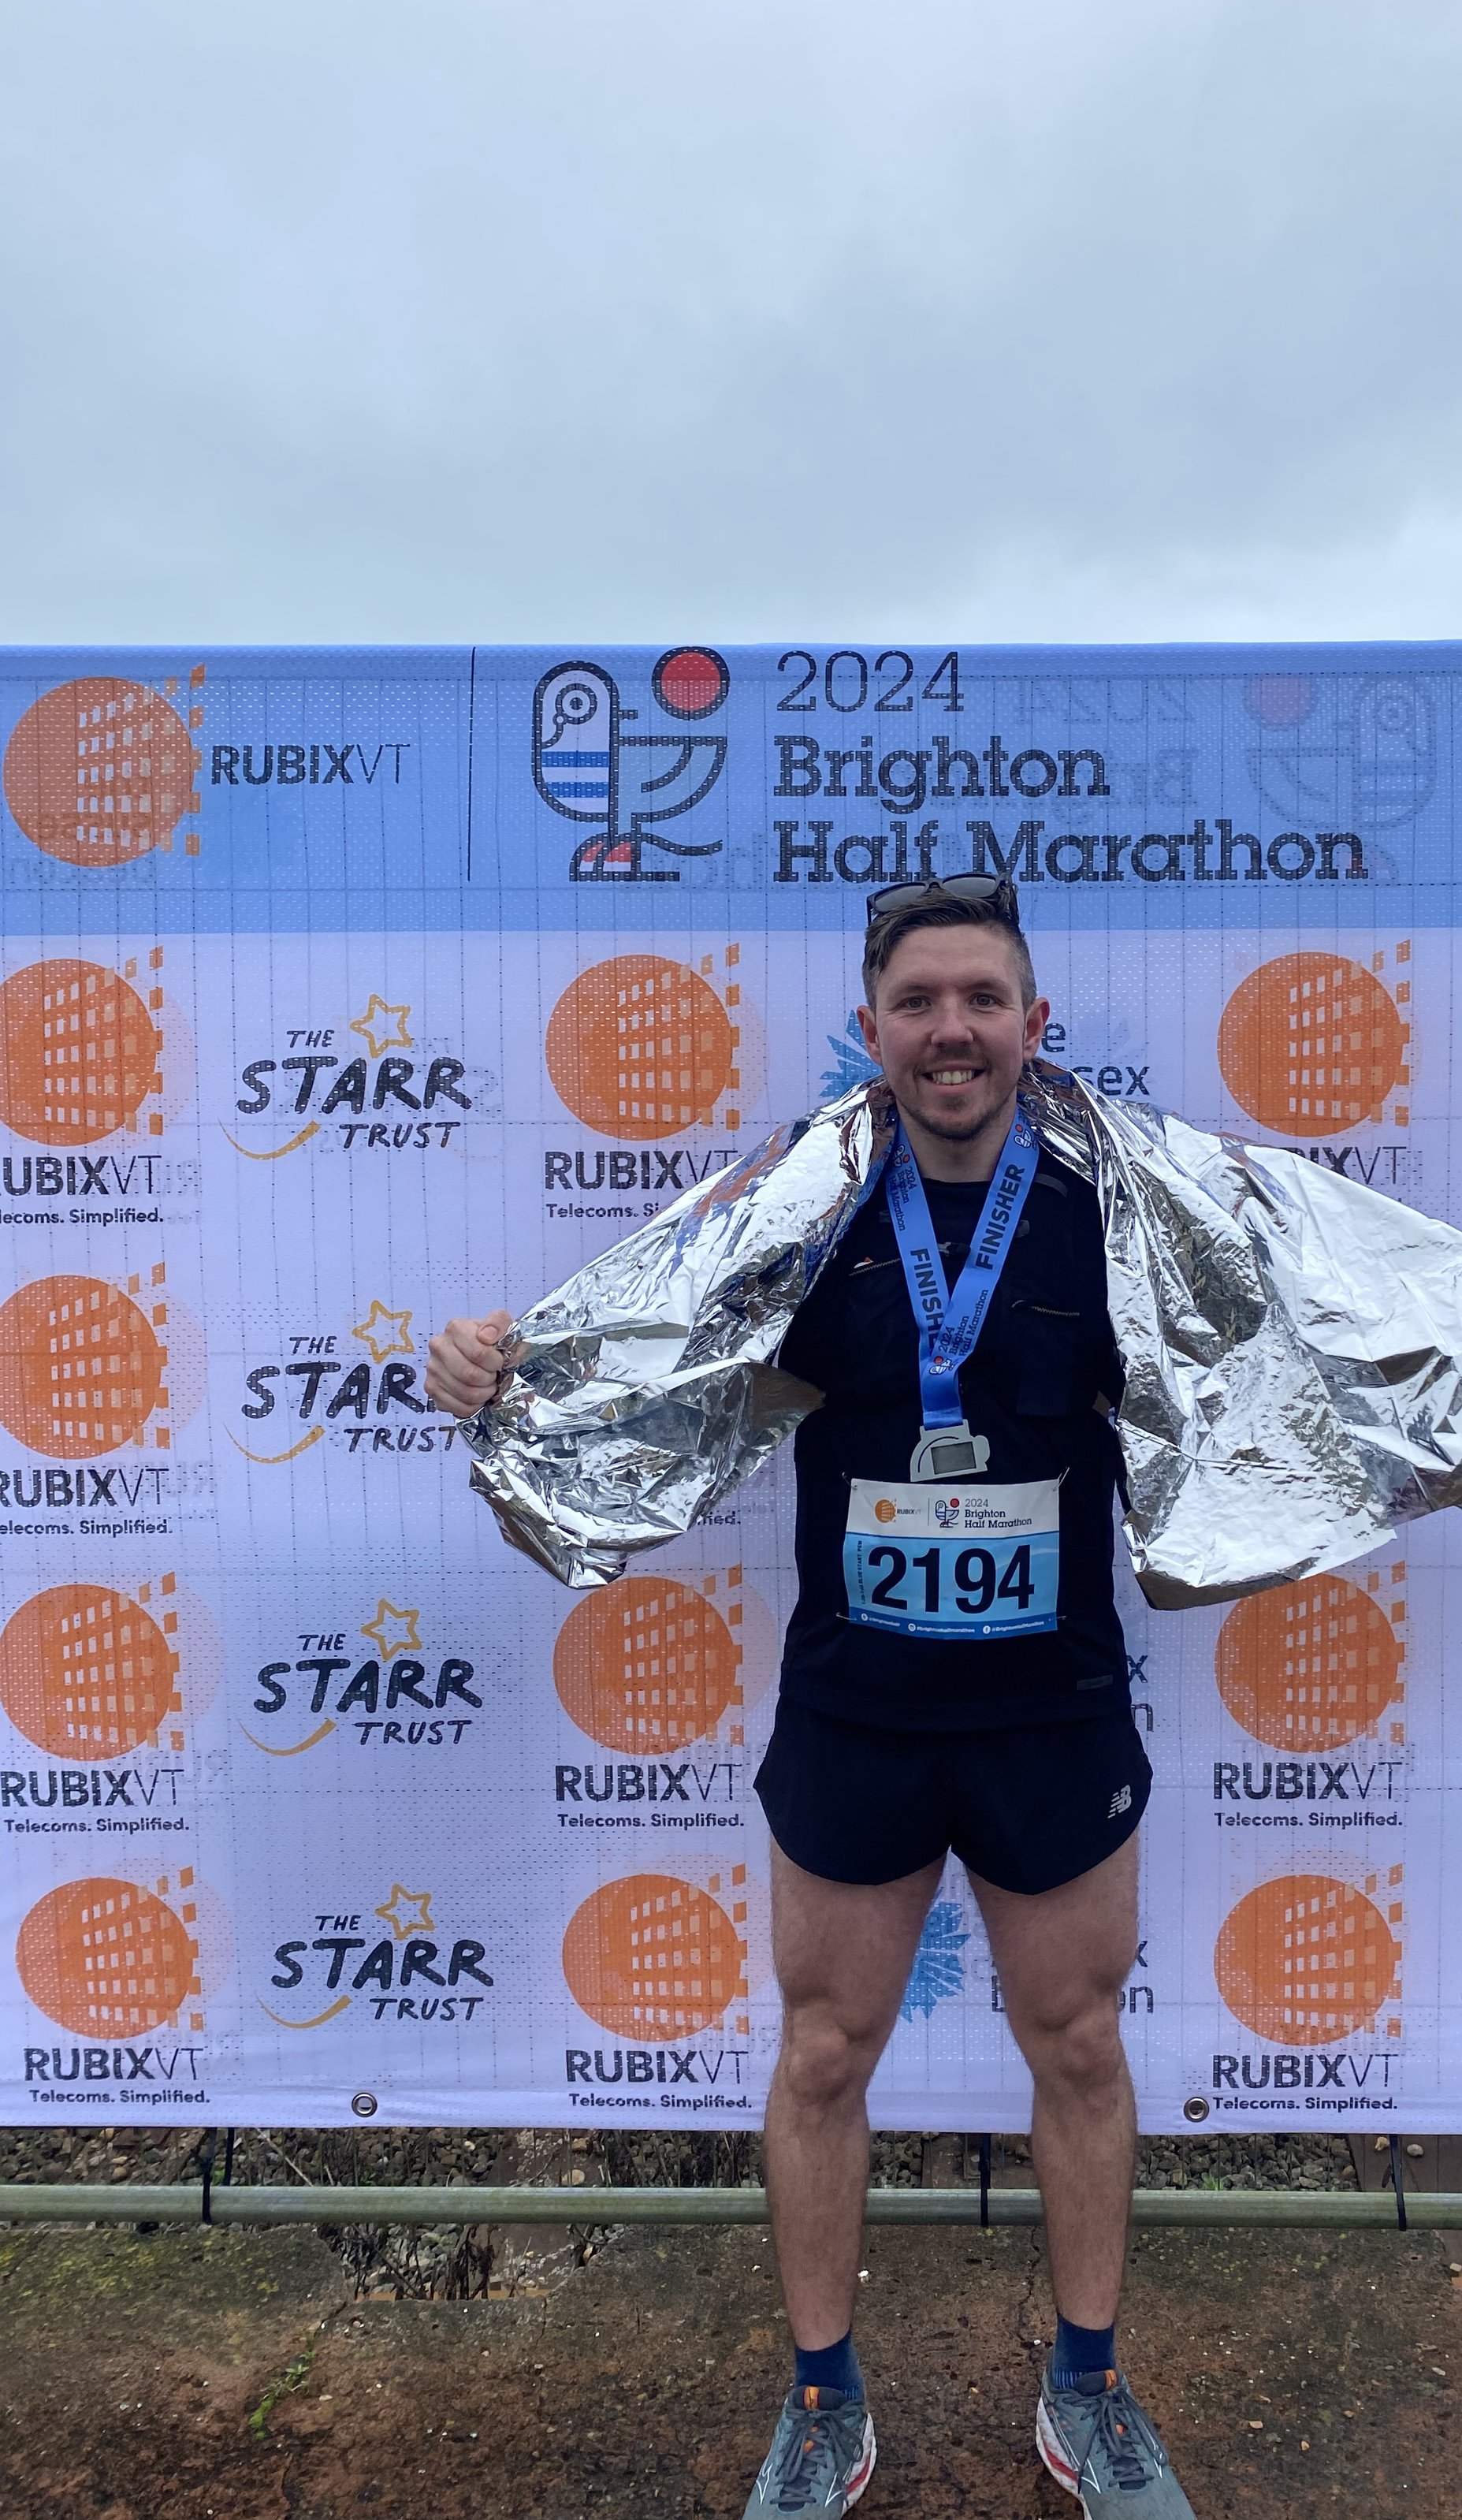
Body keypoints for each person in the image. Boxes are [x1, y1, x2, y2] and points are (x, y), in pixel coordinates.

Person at [426, 874, 1197, 2518]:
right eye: (917, 1000)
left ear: (1031, 1026)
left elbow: (1297, 1352)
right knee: (825, 2052)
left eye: (981, 997)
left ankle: (1090, 2388)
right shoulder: (802, 1215)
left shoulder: (1111, 1211)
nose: (950, 1029)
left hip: (1055, 1710)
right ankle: (823, 2401)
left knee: (1076, 2042)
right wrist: (504, 1371)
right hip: (854, 1711)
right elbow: (661, 1363)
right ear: (870, 1030)